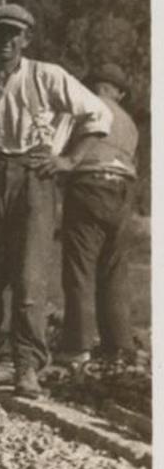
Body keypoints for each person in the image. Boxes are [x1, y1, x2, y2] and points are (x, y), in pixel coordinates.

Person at [0, 3, 109, 399]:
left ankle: (28, 366)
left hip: (36, 180)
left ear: (25, 39)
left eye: (12, 35)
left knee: (29, 278)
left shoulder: (46, 76)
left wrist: (68, 160)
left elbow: (97, 114)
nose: (4, 43)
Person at [55, 63, 142, 368]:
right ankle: (119, 346)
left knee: (80, 269)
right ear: (118, 91)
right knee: (114, 270)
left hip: (88, 185)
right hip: (123, 191)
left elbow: (61, 154)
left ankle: (77, 346)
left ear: (92, 86)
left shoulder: (84, 109)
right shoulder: (130, 122)